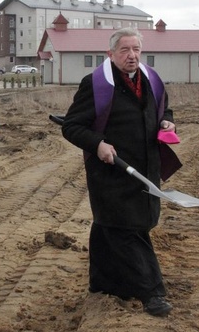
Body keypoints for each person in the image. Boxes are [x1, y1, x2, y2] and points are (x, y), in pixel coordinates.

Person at [61, 28, 176, 317]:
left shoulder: (151, 80)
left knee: (107, 227)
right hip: (111, 173)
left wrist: (166, 123)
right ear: (110, 54)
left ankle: (103, 283)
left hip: (146, 169)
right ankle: (152, 291)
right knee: (129, 231)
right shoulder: (96, 84)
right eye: (124, 50)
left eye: (136, 49)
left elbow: (164, 110)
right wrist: (97, 143)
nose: (132, 55)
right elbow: (72, 126)